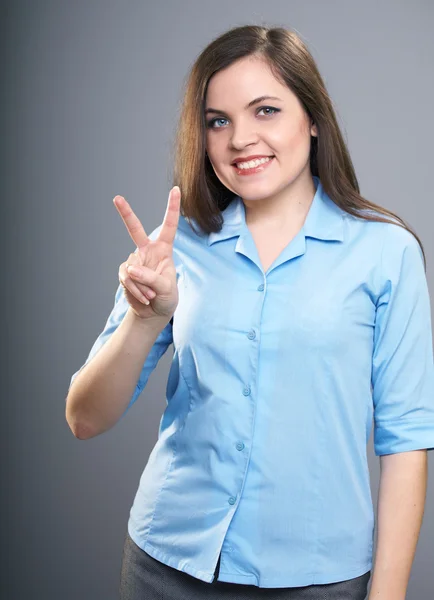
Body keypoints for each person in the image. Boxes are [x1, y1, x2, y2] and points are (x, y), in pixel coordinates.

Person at [65, 24, 434, 600]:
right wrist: (144, 318)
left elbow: (407, 440)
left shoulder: (387, 253)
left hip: (320, 580)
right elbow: (84, 419)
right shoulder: (174, 247)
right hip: (165, 567)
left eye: (265, 111)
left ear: (313, 118)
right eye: (219, 121)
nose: (240, 139)